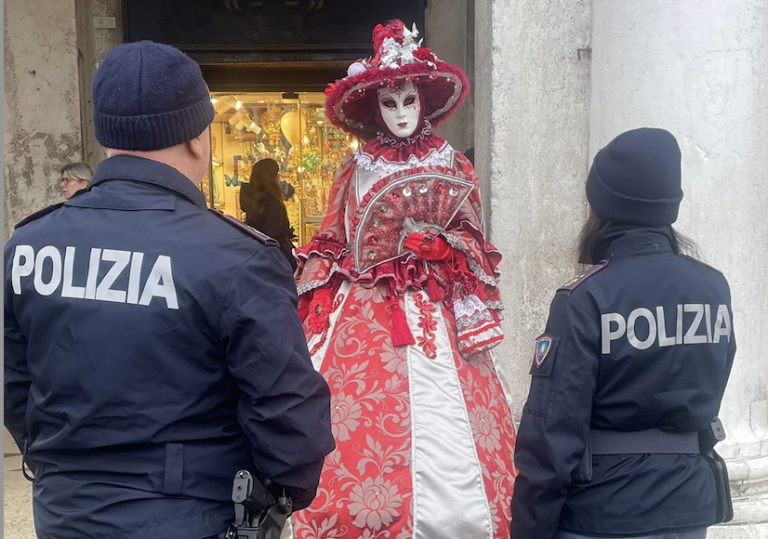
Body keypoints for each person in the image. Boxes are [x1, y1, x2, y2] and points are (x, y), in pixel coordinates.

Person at [4, 41, 334, 539]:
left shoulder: (27, 245)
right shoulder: (237, 257)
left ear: (106, 135)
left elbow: (16, 388)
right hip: (197, 517)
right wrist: (277, 498)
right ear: (199, 138)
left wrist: (63, 468)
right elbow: (290, 417)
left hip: (66, 514)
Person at [291, 20, 518, 539]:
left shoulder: (454, 165)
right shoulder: (354, 170)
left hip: (437, 304)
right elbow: (333, 237)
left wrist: (444, 247)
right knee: (362, 421)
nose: (399, 112)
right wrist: (320, 293)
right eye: (389, 103)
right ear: (374, 106)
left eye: (407, 100)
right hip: (368, 307)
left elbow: (475, 239)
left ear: (424, 100)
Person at [511, 128, 736, 539]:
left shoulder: (584, 298)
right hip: (688, 507)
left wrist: (529, 530)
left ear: (602, 206)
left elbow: (551, 436)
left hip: (604, 511)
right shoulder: (713, 288)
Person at [240, 158, 297, 270]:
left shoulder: (254, 202)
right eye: (277, 174)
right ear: (272, 177)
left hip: (257, 256)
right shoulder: (272, 202)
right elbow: (274, 236)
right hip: (275, 259)